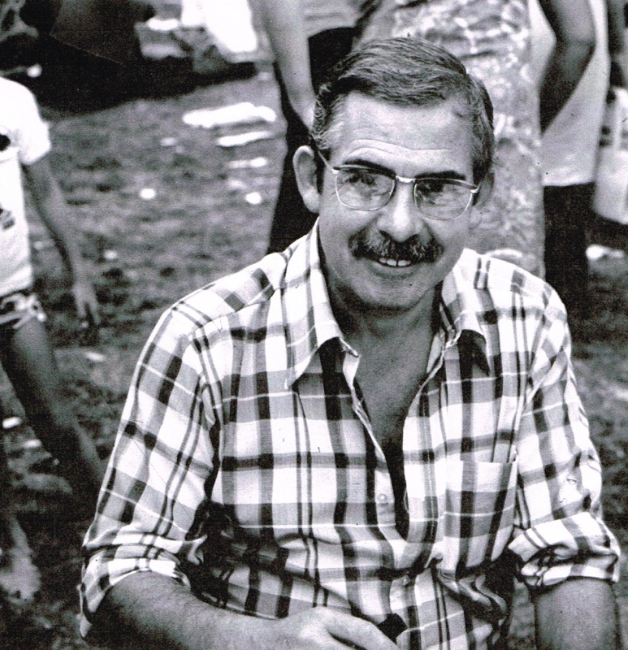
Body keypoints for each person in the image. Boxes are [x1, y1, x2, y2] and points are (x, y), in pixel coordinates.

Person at [81, 38, 620, 650]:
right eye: (366, 180)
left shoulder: (525, 317)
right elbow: (120, 570)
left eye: (437, 187)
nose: (400, 224)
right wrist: (259, 642)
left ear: (482, 194)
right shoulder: (207, 341)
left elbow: (569, 553)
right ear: (311, 180)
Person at [0, 67, 105, 602]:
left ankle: (118, 524)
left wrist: (79, 274)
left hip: (12, 294)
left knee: (56, 420)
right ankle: (11, 543)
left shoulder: (10, 100)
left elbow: (47, 191)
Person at [360, 0, 597, 278]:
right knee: (499, 278)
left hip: (389, 96)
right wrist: (527, 124)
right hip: (497, 109)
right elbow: (580, 38)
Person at [532, 0, 627, 315]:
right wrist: (617, 54)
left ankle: (557, 310)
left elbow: (581, 39)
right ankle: (565, 304)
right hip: (572, 53)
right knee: (564, 185)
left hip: (557, 58)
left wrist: (529, 125)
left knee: (554, 185)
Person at [254, 0, 360, 254]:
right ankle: (286, 268)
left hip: (346, 38)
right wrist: (302, 98)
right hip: (317, 45)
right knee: (312, 173)